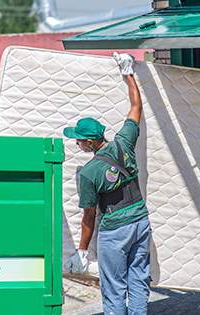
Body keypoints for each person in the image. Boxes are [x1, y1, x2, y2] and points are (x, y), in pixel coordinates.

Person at [63, 53, 150, 315]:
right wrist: (128, 73)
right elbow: (136, 108)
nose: (76, 143)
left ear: (90, 142)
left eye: (78, 140)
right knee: (138, 283)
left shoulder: (89, 173)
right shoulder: (124, 143)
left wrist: (81, 251)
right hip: (141, 222)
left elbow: (89, 217)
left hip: (115, 231)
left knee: (113, 290)